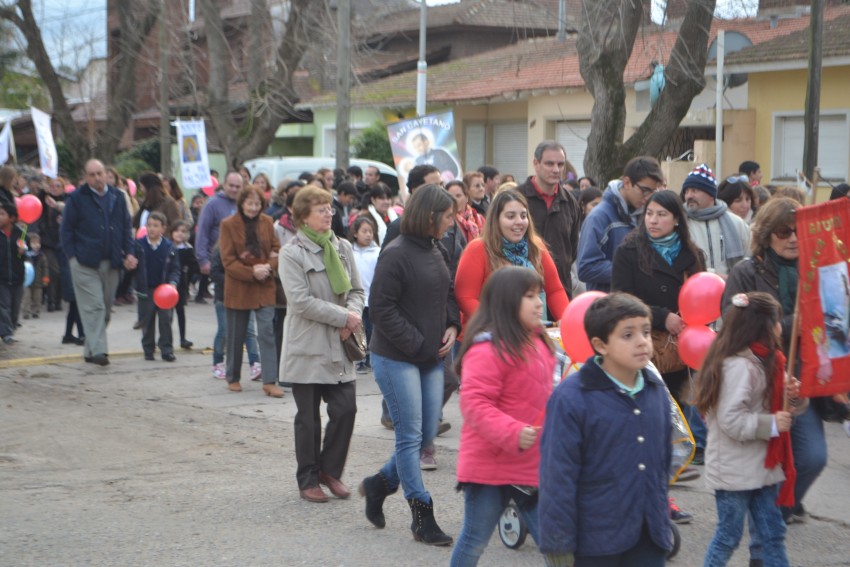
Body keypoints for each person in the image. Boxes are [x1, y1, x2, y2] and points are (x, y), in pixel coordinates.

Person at [539, 293, 673, 566]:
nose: (642, 342)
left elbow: (662, 461)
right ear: (600, 345)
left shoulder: (654, 389)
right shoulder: (572, 397)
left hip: (649, 536)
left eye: (646, 332)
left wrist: (661, 520)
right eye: (627, 335)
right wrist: (558, 543)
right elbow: (558, 474)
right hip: (596, 540)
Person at [359, 184, 459, 546]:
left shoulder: (436, 248)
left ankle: (379, 484)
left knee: (425, 434)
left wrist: (452, 324)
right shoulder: (396, 253)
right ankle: (421, 514)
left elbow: (447, 292)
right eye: (448, 216)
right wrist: (418, 344)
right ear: (430, 216)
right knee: (410, 435)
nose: (453, 221)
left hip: (430, 356)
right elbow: (380, 309)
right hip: (396, 357)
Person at [723, 197, 828, 527]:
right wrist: (792, 323)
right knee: (764, 462)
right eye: (784, 230)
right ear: (767, 233)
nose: (794, 237)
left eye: (799, 230)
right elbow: (732, 325)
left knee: (813, 456)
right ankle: (764, 526)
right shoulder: (746, 271)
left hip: (801, 381)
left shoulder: (815, 271)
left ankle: (774, 515)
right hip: (758, 380)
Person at [449, 266, 556, 566]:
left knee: (556, 545)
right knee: (473, 541)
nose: (538, 303)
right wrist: (511, 432)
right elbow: (475, 403)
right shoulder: (487, 349)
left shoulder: (542, 343)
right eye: (529, 296)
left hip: (531, 465)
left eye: (539, 295)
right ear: (507, 301)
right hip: (490, 468)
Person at [693, 291, 802, 567]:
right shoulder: (739, 366)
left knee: (773, 534)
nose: (781, 326)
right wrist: (773, 424)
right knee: (729, 536)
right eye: (777, 321)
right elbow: (732, 420)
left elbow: (787, 406)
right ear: (763, 326)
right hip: (735, 474)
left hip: (763, 470)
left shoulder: (772, 361)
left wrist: (794, 396)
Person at [611, 189, 706, 487]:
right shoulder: (629, 250)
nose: (653, 220)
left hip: (681, 346)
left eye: (662, 214)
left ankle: (665, 467)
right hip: (642, 339)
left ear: (677, 219)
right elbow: (619, 297)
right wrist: (661, 315)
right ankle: (651, 469)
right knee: (646, 407)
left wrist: (691, 319)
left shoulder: (692, 254)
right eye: (649, 213)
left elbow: (703, 295)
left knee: (675, 407)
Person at [279, 185, 365, 503]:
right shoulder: (292, 253)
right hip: (308, 344)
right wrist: (344, 318)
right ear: (302, 217)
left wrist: (352, 314)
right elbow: (301, 302)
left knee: (346, 408)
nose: (329, 214)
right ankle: (308, 479)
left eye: (330, 208)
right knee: (308, 418)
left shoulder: (342, 247)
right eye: (321, 209)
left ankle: (330, 470)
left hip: (340, 344)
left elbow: (357, 290)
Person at [60, 159, 138, 366]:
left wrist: (129, 253)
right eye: (92, 174)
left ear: (106, 174)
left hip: (111, 261)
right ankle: (100, 352)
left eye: (100, 173)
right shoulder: (77, 198)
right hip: (84, 263)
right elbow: (66, 230)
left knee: (104, 307)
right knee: (94, 307)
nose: (97, 178)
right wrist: (72, 258)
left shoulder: (117, 197)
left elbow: (125, 228)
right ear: (85, 177)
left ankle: (90, 348)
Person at [455, 189, 569, 325]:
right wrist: (499, 324)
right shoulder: (477, 249)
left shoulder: (536, 247)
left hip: (530, 334)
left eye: (523, 216)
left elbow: (555, 290)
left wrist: (565, 320)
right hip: (487, 333)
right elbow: (465, 297)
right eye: (510, 216)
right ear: (496, 220)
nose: (519, 222)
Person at [218, 185, 283, 397]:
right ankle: (233, 377)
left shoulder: (267, 222)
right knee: (237, 334)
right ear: (241, 204)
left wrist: (268, 267)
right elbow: (228, 261)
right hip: (239, 286)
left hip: (264, 284)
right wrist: (251, 271)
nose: (253, 208)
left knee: (266, 332)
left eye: (257, 204)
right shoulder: (228, 225)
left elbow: (276, 249)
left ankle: (270, 380)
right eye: (249, 203)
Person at [577, 156, 664, 292]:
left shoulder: (646, 216)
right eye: (645, 190)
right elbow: (586, 268)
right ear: (627, 182)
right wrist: (630, 270)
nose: (648, 197)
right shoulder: (599, 217)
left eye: (653, 192)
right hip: (609, 306)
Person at [517, 141, 582, 296]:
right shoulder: (516, 198)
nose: (556, 169)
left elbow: (572, 249)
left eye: (560, 164)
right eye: (549, 164)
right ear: (536, 163)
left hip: (561, 288)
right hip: (522, 287)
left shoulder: (570, 202)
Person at [680, 164, 750, 278]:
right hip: (693, 291)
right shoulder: (681, 223)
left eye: (694, 190)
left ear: (711, 195)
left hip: (730, 290)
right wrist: (711, 275)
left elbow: (749, 261)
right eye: (686, 191)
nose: (689, 196)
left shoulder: (736, 223)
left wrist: (733, 279)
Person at [133, 212, 180, 362]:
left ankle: (166, 349)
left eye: (156, 226)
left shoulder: (169, 247)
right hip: (146, 289)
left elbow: (175, 268)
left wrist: (173, 282)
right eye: (149, 225)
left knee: (165, 320)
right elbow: (133, 267)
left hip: (164, 290)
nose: (152, 229)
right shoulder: (139, 245)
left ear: (163, 229)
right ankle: (148, 349)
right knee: (147, 321)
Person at [195, 171, 242, 279]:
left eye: (237, 187)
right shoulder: (212, 204)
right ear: (224, 184)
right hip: (217, 260)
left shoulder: (243, 204)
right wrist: (203, 260)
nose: (234, 189)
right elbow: (203, 232)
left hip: (238, 261)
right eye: (231, 185)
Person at [350, 216, 380, 375]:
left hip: (372, 299)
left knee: (371, 330)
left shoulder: (377, 252)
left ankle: (369, 357)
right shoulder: (349, 251)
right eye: (364, 231)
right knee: (358, 330)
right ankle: (359, 358)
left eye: (371, 232)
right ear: (355, 233)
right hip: (356, 299)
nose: (368, 235)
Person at [0, 201, 25, 344]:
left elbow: (24, 257)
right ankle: (6, 333)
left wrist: (22, 252)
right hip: (2, 278)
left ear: (12, 218)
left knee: (15, 308)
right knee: (4, 306)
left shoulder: (20, 234)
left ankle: (10, 328)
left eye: (2, 214)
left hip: (17, 277)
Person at [171, 220, 197, 349]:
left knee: (180, 311)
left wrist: (189, 280)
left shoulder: (187, 249)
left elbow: (194, 267)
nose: (179, 234)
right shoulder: (167, 246)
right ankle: (165, 339)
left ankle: (183, 338)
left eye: (183, 231)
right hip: (168, 284)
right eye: (177, 231)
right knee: (167, 314)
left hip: (181, 284)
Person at [445, 179, 484, 243]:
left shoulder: (479, 218)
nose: (454, 200)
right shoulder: (447, 221)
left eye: (458, 196)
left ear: (466, 198)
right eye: (450, 197)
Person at [22, 233, 48, 320]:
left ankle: (36, 311)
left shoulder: (41, 256)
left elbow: (45, 268)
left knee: (38, 298)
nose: (36, 245)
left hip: (38, 281)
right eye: (33, 243)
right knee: (26, 297)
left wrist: (45, 278)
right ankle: (26, 312)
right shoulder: (25, 255)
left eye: (38, 243)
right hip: (27, 281)